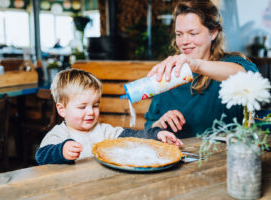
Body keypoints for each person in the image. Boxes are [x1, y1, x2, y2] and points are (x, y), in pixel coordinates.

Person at [144, 0, 258, 138]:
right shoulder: (169, 74)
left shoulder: (231, 64)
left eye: (193, 33)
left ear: (214, 32)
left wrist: (196, 65)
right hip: (178, 156)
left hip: (221, 157)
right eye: (179, 34)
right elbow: (150, 125)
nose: (184, 41)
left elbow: (248, 77)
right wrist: (159, 125)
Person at [36, 69, 182, 165]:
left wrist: (157, 133)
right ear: (62, 110)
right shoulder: (60, 134)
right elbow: (41, 156)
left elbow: (133, 136)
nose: (90, 112)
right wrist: (61, 151)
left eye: (95, 105)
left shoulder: (104, 131)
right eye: (82, 107)